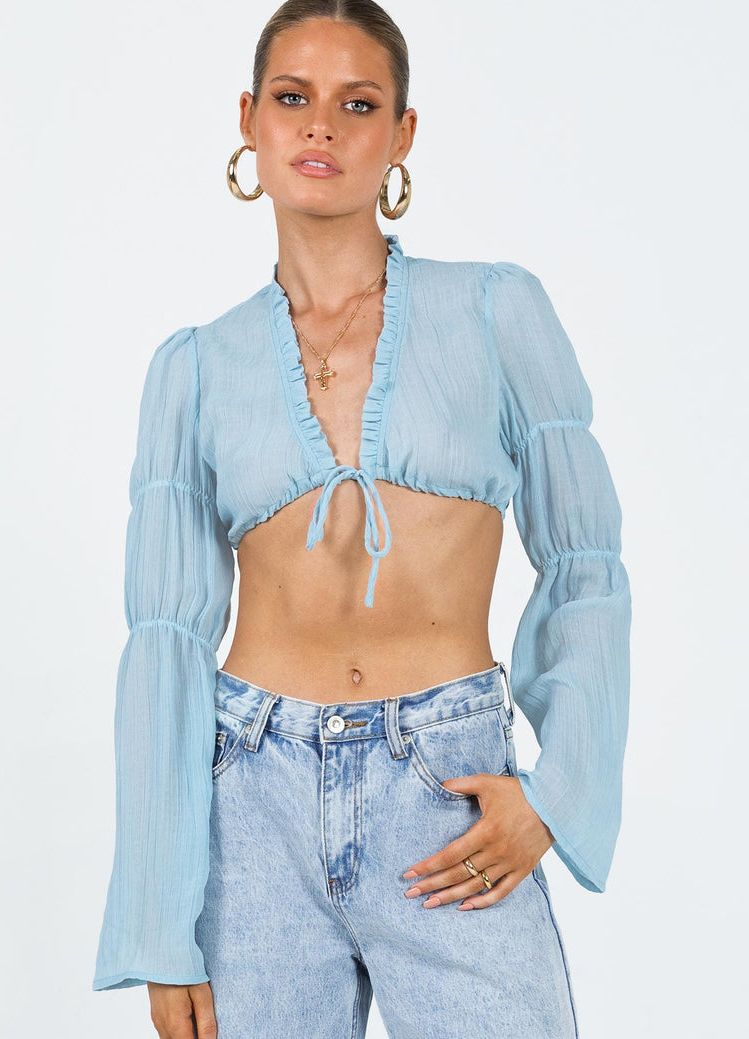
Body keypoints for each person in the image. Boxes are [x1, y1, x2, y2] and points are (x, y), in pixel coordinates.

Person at [92, 2, 632, 1037]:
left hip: (447, 794)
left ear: (401, 133)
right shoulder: (194, 368)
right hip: (250, 809)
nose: (320, 126)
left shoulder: (495, 311)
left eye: (358, 104)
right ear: (248, 121)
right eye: (292, 98)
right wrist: (161, 918)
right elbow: (163, 644)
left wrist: (555, 793)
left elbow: (585, 563)